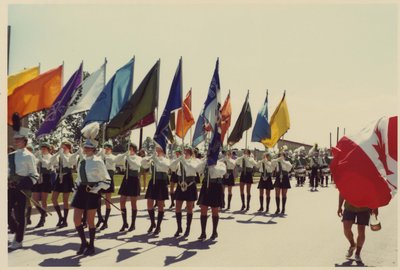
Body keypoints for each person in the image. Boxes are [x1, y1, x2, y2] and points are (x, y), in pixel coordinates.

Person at [71, 138, 111, 256]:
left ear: (94, 149)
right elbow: (79, 177)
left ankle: (92, 246)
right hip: (81, 191)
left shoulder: (98, 161)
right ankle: (84, 242)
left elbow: (107, 180)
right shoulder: (81, 161)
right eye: (85, 147)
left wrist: (96, 188)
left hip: (92, 192)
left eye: (89, 147)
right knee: (76, 219)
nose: (86, 149)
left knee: (90, 221)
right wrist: (76, 185)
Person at [8, 127, 39, 250]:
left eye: (19, 140)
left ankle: (19, 240)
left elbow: (35, 175)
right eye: (15, 139)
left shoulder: (29, 156)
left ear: (25, 141)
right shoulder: (10, 155)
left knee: (20, 214)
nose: (16, 141)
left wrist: (22, 183)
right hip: (10, 187)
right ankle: (17, 231)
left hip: (22, 188)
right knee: (6, 211)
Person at [337, 193, 378, 263]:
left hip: (364, 208)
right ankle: (352, 244)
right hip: (349, 207)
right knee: (346, 229)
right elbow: (342, 192)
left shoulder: (368, 182)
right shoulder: (347, 181)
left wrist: (375, 208)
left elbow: (373, 193)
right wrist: (339, 207)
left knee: (361, 230)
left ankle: (357, 253)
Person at [50, 141, 81, 228]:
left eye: (64, 147)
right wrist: (57, 154)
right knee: (53, 198)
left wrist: (62, 155)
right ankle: (60, 217)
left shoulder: (72, 156)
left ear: (69, 148)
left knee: (65, 200)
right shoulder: (59, 156)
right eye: (61, 147)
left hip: (67, 178)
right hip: (59, 177)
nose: (62, 149)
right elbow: (51, 161)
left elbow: (68, 163)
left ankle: (65, 220)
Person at [170, 146, 198, 237]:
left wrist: (184, 161)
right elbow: (172, 167)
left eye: (186, 152)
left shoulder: (194, 161)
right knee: (177, 206)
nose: (184, 154)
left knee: (189, 208)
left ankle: (188, 228)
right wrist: (179, 159)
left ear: (190, 153)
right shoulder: (180, 161)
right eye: (184, 152)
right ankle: (179, 227)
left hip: (190, 185)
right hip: (180, 185)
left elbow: (193, 169)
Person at [95, 141, 123, 230]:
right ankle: (100, 218)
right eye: (105, 148)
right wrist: (101, 153)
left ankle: (105, 222)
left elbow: (115, 160)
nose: (106, 150)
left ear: (110, 149)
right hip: (100, 178)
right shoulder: (101, 156)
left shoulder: (112, 157)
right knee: (97, 200)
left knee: (108, 201)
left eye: (107, 148)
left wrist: (104, 157)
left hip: (108, 179)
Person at [196, 158, 227, 240]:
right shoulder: (205, 162)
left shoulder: (221, 164)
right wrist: (205, 162)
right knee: (203, 208)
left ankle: (214, 232)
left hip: (216, 186)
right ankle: (203, 232)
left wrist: (212, 164)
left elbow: (222, 172)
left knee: (215, 210)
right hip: (206, 185)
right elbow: (198, 169)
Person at [143, 145, 170, 236]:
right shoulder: (153, 159)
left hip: (161, 183)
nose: (157, 150)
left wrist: (156, 159)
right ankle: (152, 223)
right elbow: (143, 164)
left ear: (163, 150)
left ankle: (158, 226)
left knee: (160, 205)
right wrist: (150, 158)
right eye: (156, 148)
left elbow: (164, 166)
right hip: (153, 182)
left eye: (159, 148)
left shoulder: (166, 160)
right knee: (149, 203)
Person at [117, 143, 143, 232]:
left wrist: (128, 158)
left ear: (134, 150)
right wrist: (125, 154)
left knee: (133, 203)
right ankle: (124, 222)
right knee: (122, 201)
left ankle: (133, 224)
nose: (130, 150)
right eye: (129, 149)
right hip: (126, 180)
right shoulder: (126, 156)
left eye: (131, 149)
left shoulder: (138, 158)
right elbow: (117, 160)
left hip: (134, 180)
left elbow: (136, 166)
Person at [31, 142, 54, 228]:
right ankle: (43, 213)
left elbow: (48, 166)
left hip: (46, 178)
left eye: (45, 148)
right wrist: (35, 157)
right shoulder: (38, 156)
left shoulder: (50, 157)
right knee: (34, 199)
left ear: (48, 149)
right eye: (42, 148)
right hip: (37, 179)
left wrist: (41, 158)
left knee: (44, 200)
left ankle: (42, 219)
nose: (43, 149)